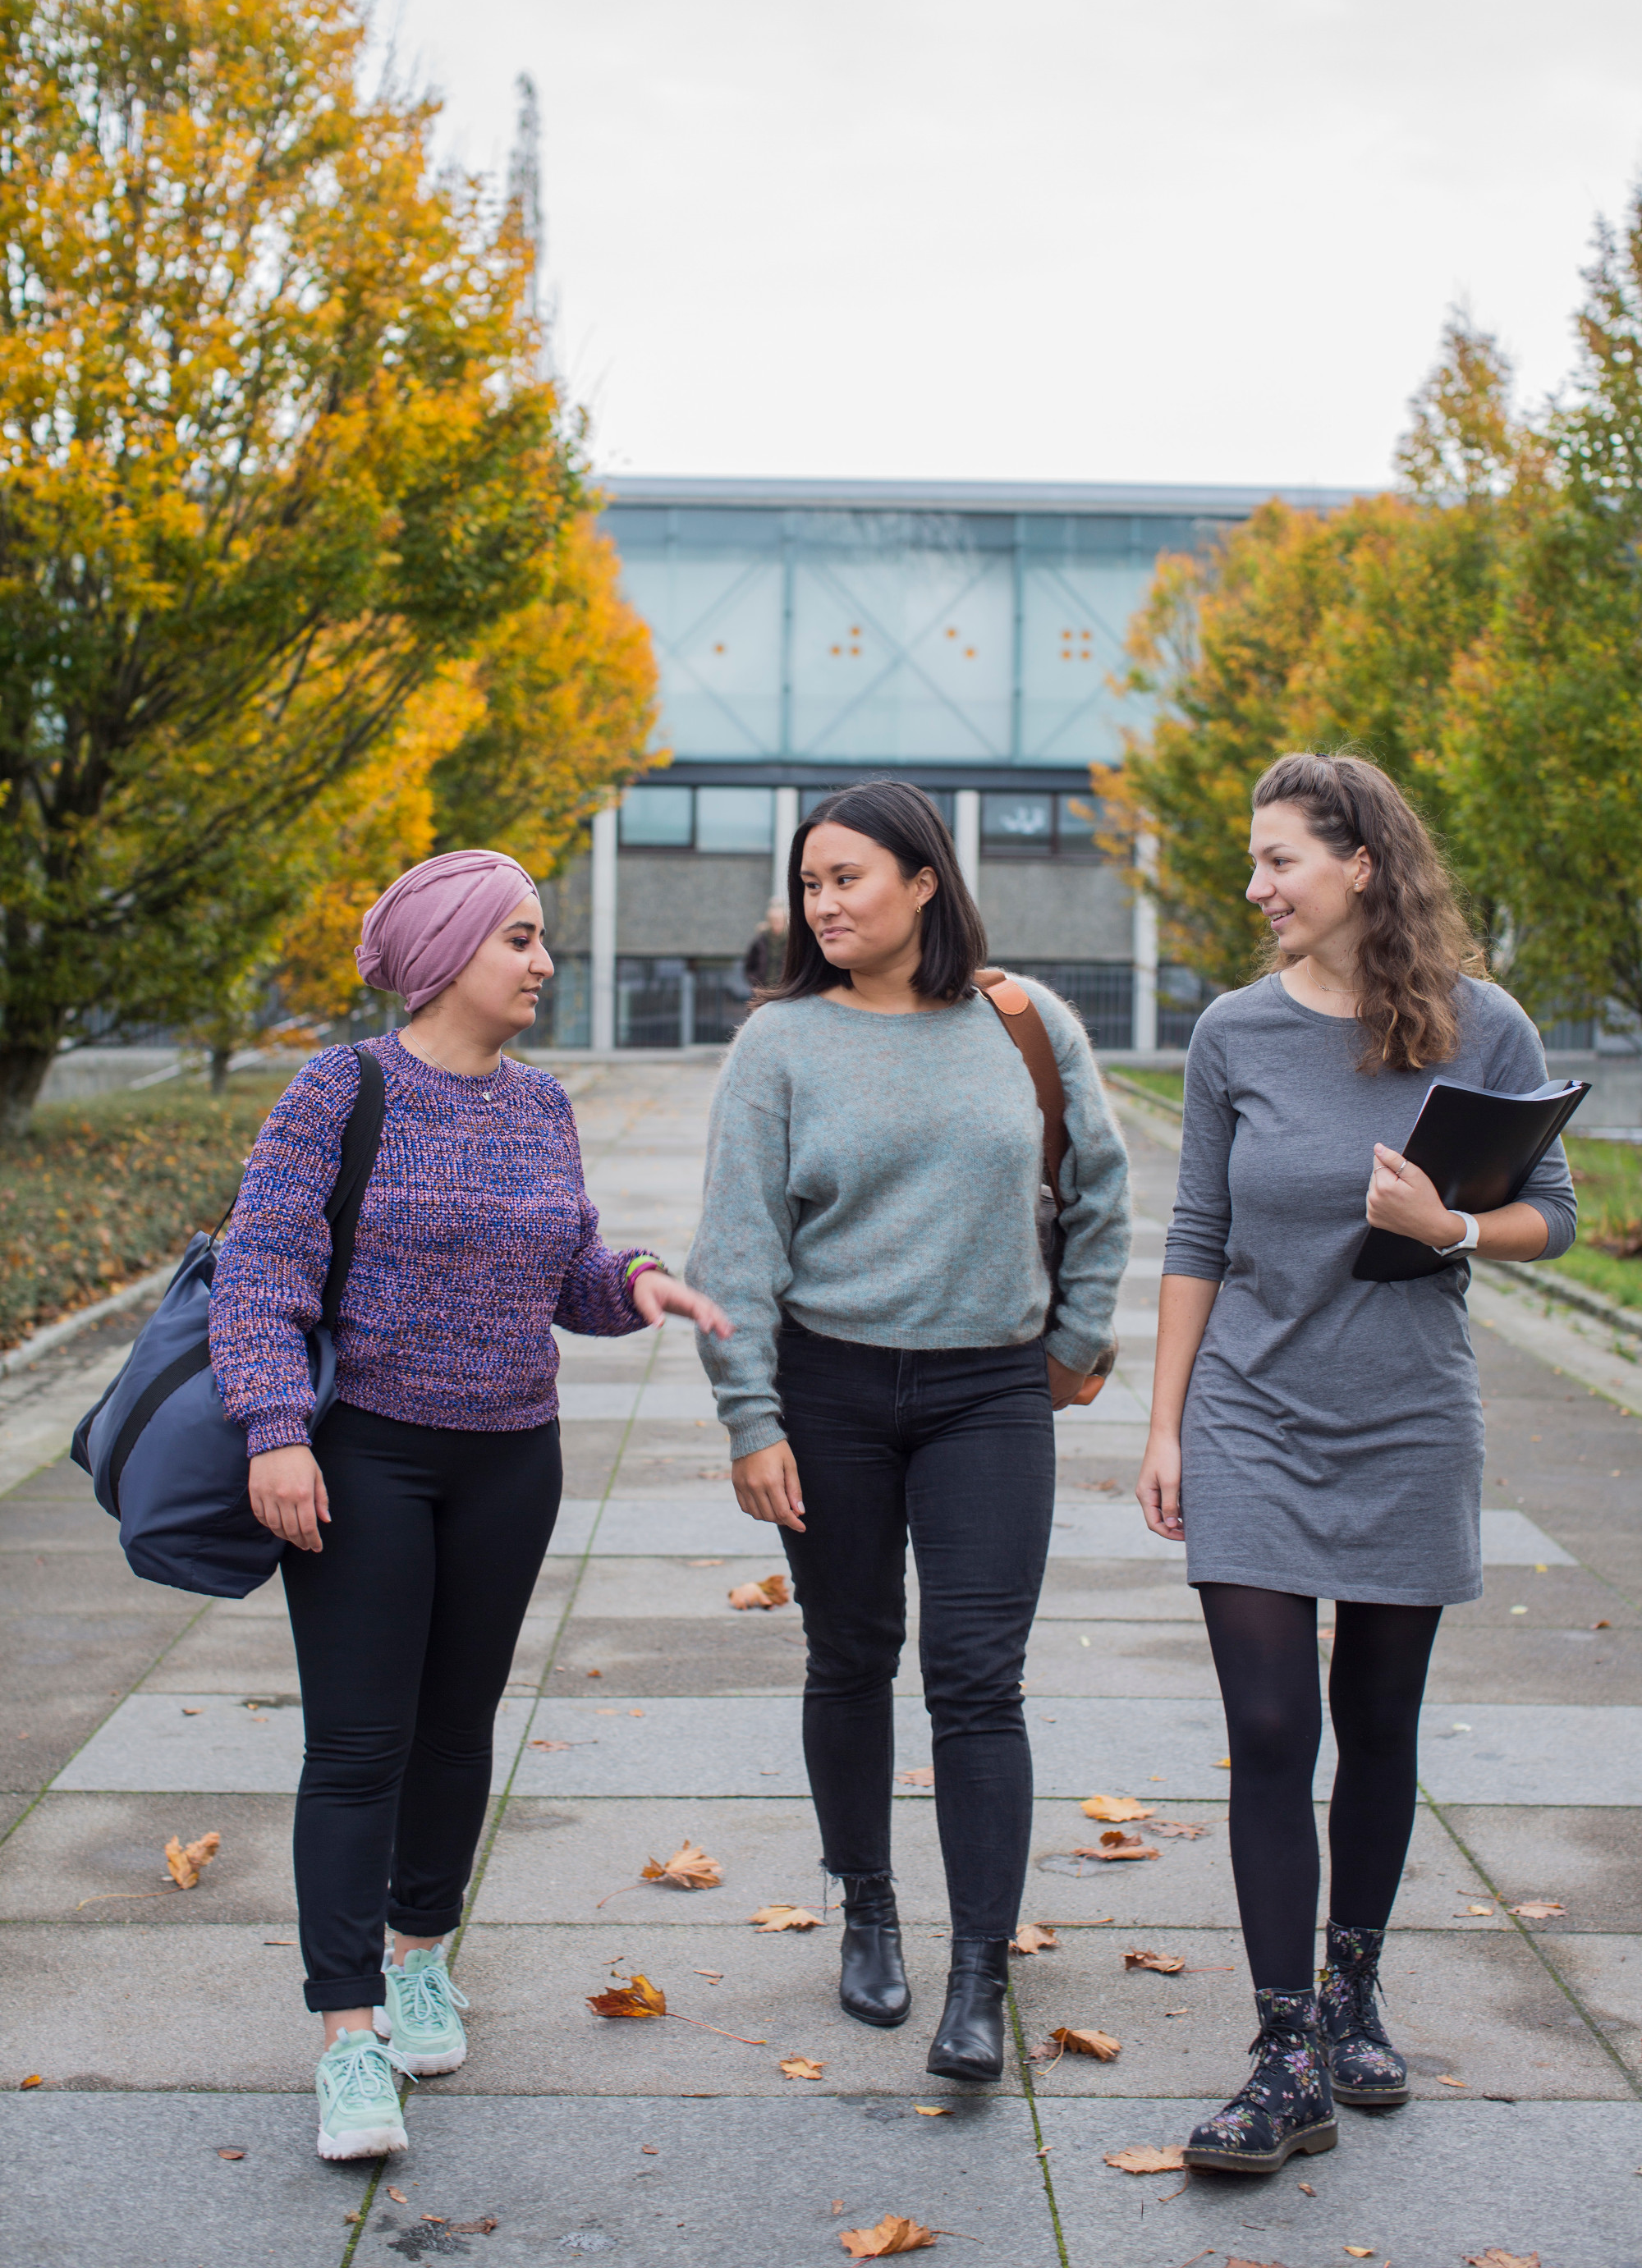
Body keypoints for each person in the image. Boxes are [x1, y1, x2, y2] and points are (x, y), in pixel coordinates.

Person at [209, 849, 728, 2162]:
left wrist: (639, 1279)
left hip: (512, 1456)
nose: (542, 961)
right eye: (520, 938)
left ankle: (419, 1957)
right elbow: (260, 1274)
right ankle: (346, 2037)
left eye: (540, 937)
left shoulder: (540, 1106)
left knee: (456, 1730)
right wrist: (277, 1432)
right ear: (446, 956)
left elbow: (568, 1267)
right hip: (365, 1457)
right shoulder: (343, 1089)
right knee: (357, 1747)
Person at [1136, 754, 1578, 2177]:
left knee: (1376, 1726)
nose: (1257, 887)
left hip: (1409, 1420)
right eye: (1255, 862)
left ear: (1361, 866)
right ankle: (1283, 2056)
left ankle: (1355, 1992)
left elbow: (1553, 1219)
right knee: (1271, 1731)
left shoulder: (1481, 1028)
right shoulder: (1231, 1036)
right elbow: (1198, 1233)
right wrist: (1165, 1425)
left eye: (1279, 861)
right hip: (1255, 1420)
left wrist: (1451, 1220)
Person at [684, 781, 1131, 2081]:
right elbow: (738, 1246)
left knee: (980, 1678)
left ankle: (979, 1969)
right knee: (850, 1654)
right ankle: (867, 1908)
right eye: (811, 884)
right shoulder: (779, 1044)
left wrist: (1069, 1347)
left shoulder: (1024, 1020)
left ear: (924, 881)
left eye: (850, 880)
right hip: (828, 1393)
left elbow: (1098, 1187)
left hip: (989, 1393)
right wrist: (749, 1417)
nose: (824, 905)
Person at [742, 898, 789, 993]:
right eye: (774, 920)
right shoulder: (760, 941)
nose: (776, 924)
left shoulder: (792, 941)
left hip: (785, 991)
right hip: (763, 991)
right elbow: (749, 965)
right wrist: (756, 983)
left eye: (779, 920)